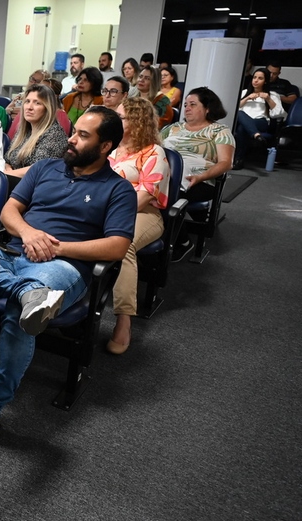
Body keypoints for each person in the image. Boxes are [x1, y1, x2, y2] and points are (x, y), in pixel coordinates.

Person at [0, 107, 136, 461]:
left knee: (18, 315)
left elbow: (117, 245)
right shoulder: (44, 168)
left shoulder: (118, 190)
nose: (71, 138)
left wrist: (55, 246)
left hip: (65, 266)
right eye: (76, 132)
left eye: (83, 136)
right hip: (14, 250)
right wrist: (28, 232)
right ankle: (28, 293)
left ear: (105, 147)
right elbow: (10, 211)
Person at [107, 97, 170, 354]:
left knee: (125, 244)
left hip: (143, 214)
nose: (116, 121)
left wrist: (103, 211)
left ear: (137, 121)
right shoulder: (111, 148)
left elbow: (142, 198)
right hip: (106, 212)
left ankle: (124, 321)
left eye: (121, 117)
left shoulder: (154, 153)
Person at [160, 87, 235, 260]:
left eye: (193, 104)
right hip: (166, 176)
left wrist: (200, 177)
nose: (186, 108)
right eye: (186, 104)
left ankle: (183, 242)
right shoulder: (172, 128)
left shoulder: (219, 131)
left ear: (208, 108)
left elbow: (226, 163)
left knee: (167, 195)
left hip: (201, 180)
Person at [4, 84, 68, 185]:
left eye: (37, 103)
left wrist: (5, 175)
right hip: (14, 182)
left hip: (36, 189)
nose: (29, 107)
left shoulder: (55, 134)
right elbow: (7, 159)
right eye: (27, 101)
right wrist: (7, 172)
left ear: (47, 108)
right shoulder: (25, 131)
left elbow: (38, 169)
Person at [234, 68, 286, 168]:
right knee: (240, 120)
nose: (256, 80)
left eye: (260, 78)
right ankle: (256, 136)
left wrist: (268, 99)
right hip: (243, 124)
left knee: (242, 127)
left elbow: (280, 113)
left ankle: (238, 159)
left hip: (261, 122)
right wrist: (247, 98)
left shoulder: (273, 95)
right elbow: (234, 109)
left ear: (265, 81)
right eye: (254, 77)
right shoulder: (244, 93)